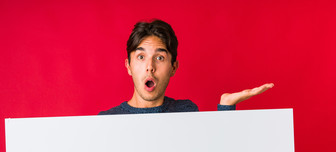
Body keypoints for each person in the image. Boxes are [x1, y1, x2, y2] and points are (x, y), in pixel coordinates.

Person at [98, 19, 273, 115]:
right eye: (141, 57)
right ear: (128, 66)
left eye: (159, 57)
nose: (149, 67)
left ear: (173, 67)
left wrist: (226, 109)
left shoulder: (186, 111)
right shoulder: (106, 121)